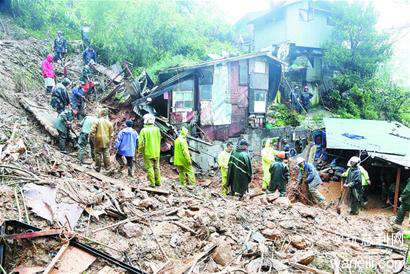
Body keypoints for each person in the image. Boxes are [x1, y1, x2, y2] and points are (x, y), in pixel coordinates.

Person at [138, 114, 162, 186]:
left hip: (148, 152)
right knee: (157, 167)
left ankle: (152, 183)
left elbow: (141, 142)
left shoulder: (143, 130)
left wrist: (140, 151)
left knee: (149, 167)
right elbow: (160, 139)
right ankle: (158, 182)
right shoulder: (157, 129)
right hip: (157, 152)